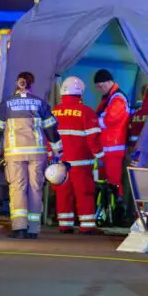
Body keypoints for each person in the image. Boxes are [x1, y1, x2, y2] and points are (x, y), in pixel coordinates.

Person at [0, 71, 62, 239]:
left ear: (17, 83)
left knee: (17, 189)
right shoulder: (40, 104)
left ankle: (20, 228)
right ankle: (33, 229)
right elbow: (51, 130)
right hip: (37, 154)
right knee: (35, 189)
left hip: (14, 154)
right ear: (31, 84)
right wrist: (58, 152)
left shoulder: (6, 105)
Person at [51, 76, 105, 234]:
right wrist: (100, 157)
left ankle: (64, 225)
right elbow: (93, 139)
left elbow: (48, 137)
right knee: (85, 193)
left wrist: (51, 157)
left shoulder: (54, 111)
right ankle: (87, 226)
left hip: (60, 162)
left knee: (63, 193)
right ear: (80, 92)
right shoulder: (87, 112)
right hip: (81, 163)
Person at [93, 69, 130, 196]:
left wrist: (93, 122)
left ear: (109, 82)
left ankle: (117, 211)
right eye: (97, 87)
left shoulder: (117, 98)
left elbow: (110, 119)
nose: (99, 89)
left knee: (114, 182)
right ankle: (110, 208)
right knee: (107, 182)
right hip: (108, 147)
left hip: (114, 147)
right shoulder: (109, 97)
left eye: (100, 86)